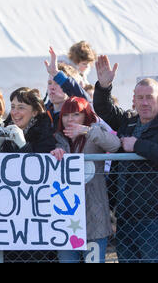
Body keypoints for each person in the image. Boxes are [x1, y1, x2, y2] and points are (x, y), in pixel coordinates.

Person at [93, 54, 158, 263]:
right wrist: (104, 86)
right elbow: (104, 109)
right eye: (139, 98)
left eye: (149, 97)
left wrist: (138, 146)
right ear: (133, 100)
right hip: (125, 217)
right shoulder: (128, 121)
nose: (144, 103)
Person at [50, 96, 121, 263]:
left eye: (76, 114)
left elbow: (115, 145)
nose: (70, 119)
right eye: (66, 115)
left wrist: (86, 131)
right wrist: (54, 154)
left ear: (85, 116)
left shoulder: (93, 134)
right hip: (66, 218)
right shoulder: (57, 139)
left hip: (94, 212)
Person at [0, 87, 56, 154]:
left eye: (21, 107)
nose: (14, 112)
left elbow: (38, 162)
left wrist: (23, 145)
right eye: (13, 107)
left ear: (34, 112)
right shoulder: (5, 130)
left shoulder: (45, 136)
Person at [44, 46, 90, 131]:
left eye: (57, 83)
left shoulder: (78, 114)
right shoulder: (42, 113)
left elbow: (85, 101)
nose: (52, 87)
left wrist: (57, 74)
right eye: (49, 83)